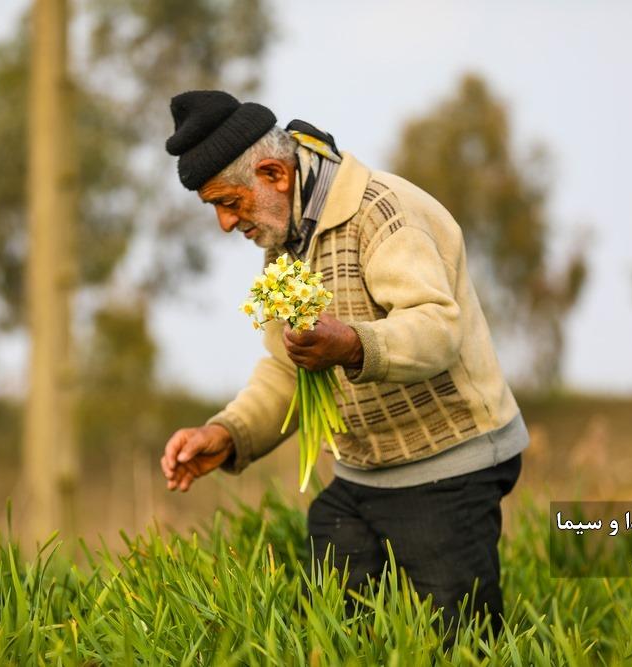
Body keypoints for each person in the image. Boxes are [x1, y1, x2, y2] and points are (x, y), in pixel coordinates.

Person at [159, 90, 528, 639]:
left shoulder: (380, 212)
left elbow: (437, 328)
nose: (224, 223)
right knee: (338, 634)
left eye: (229, 202)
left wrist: (353, 345)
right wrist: (228, 433)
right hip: (360, 476)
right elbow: (286, 368)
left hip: (448, 467)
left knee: (460, 644)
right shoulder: (285, 241)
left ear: (272, 173)